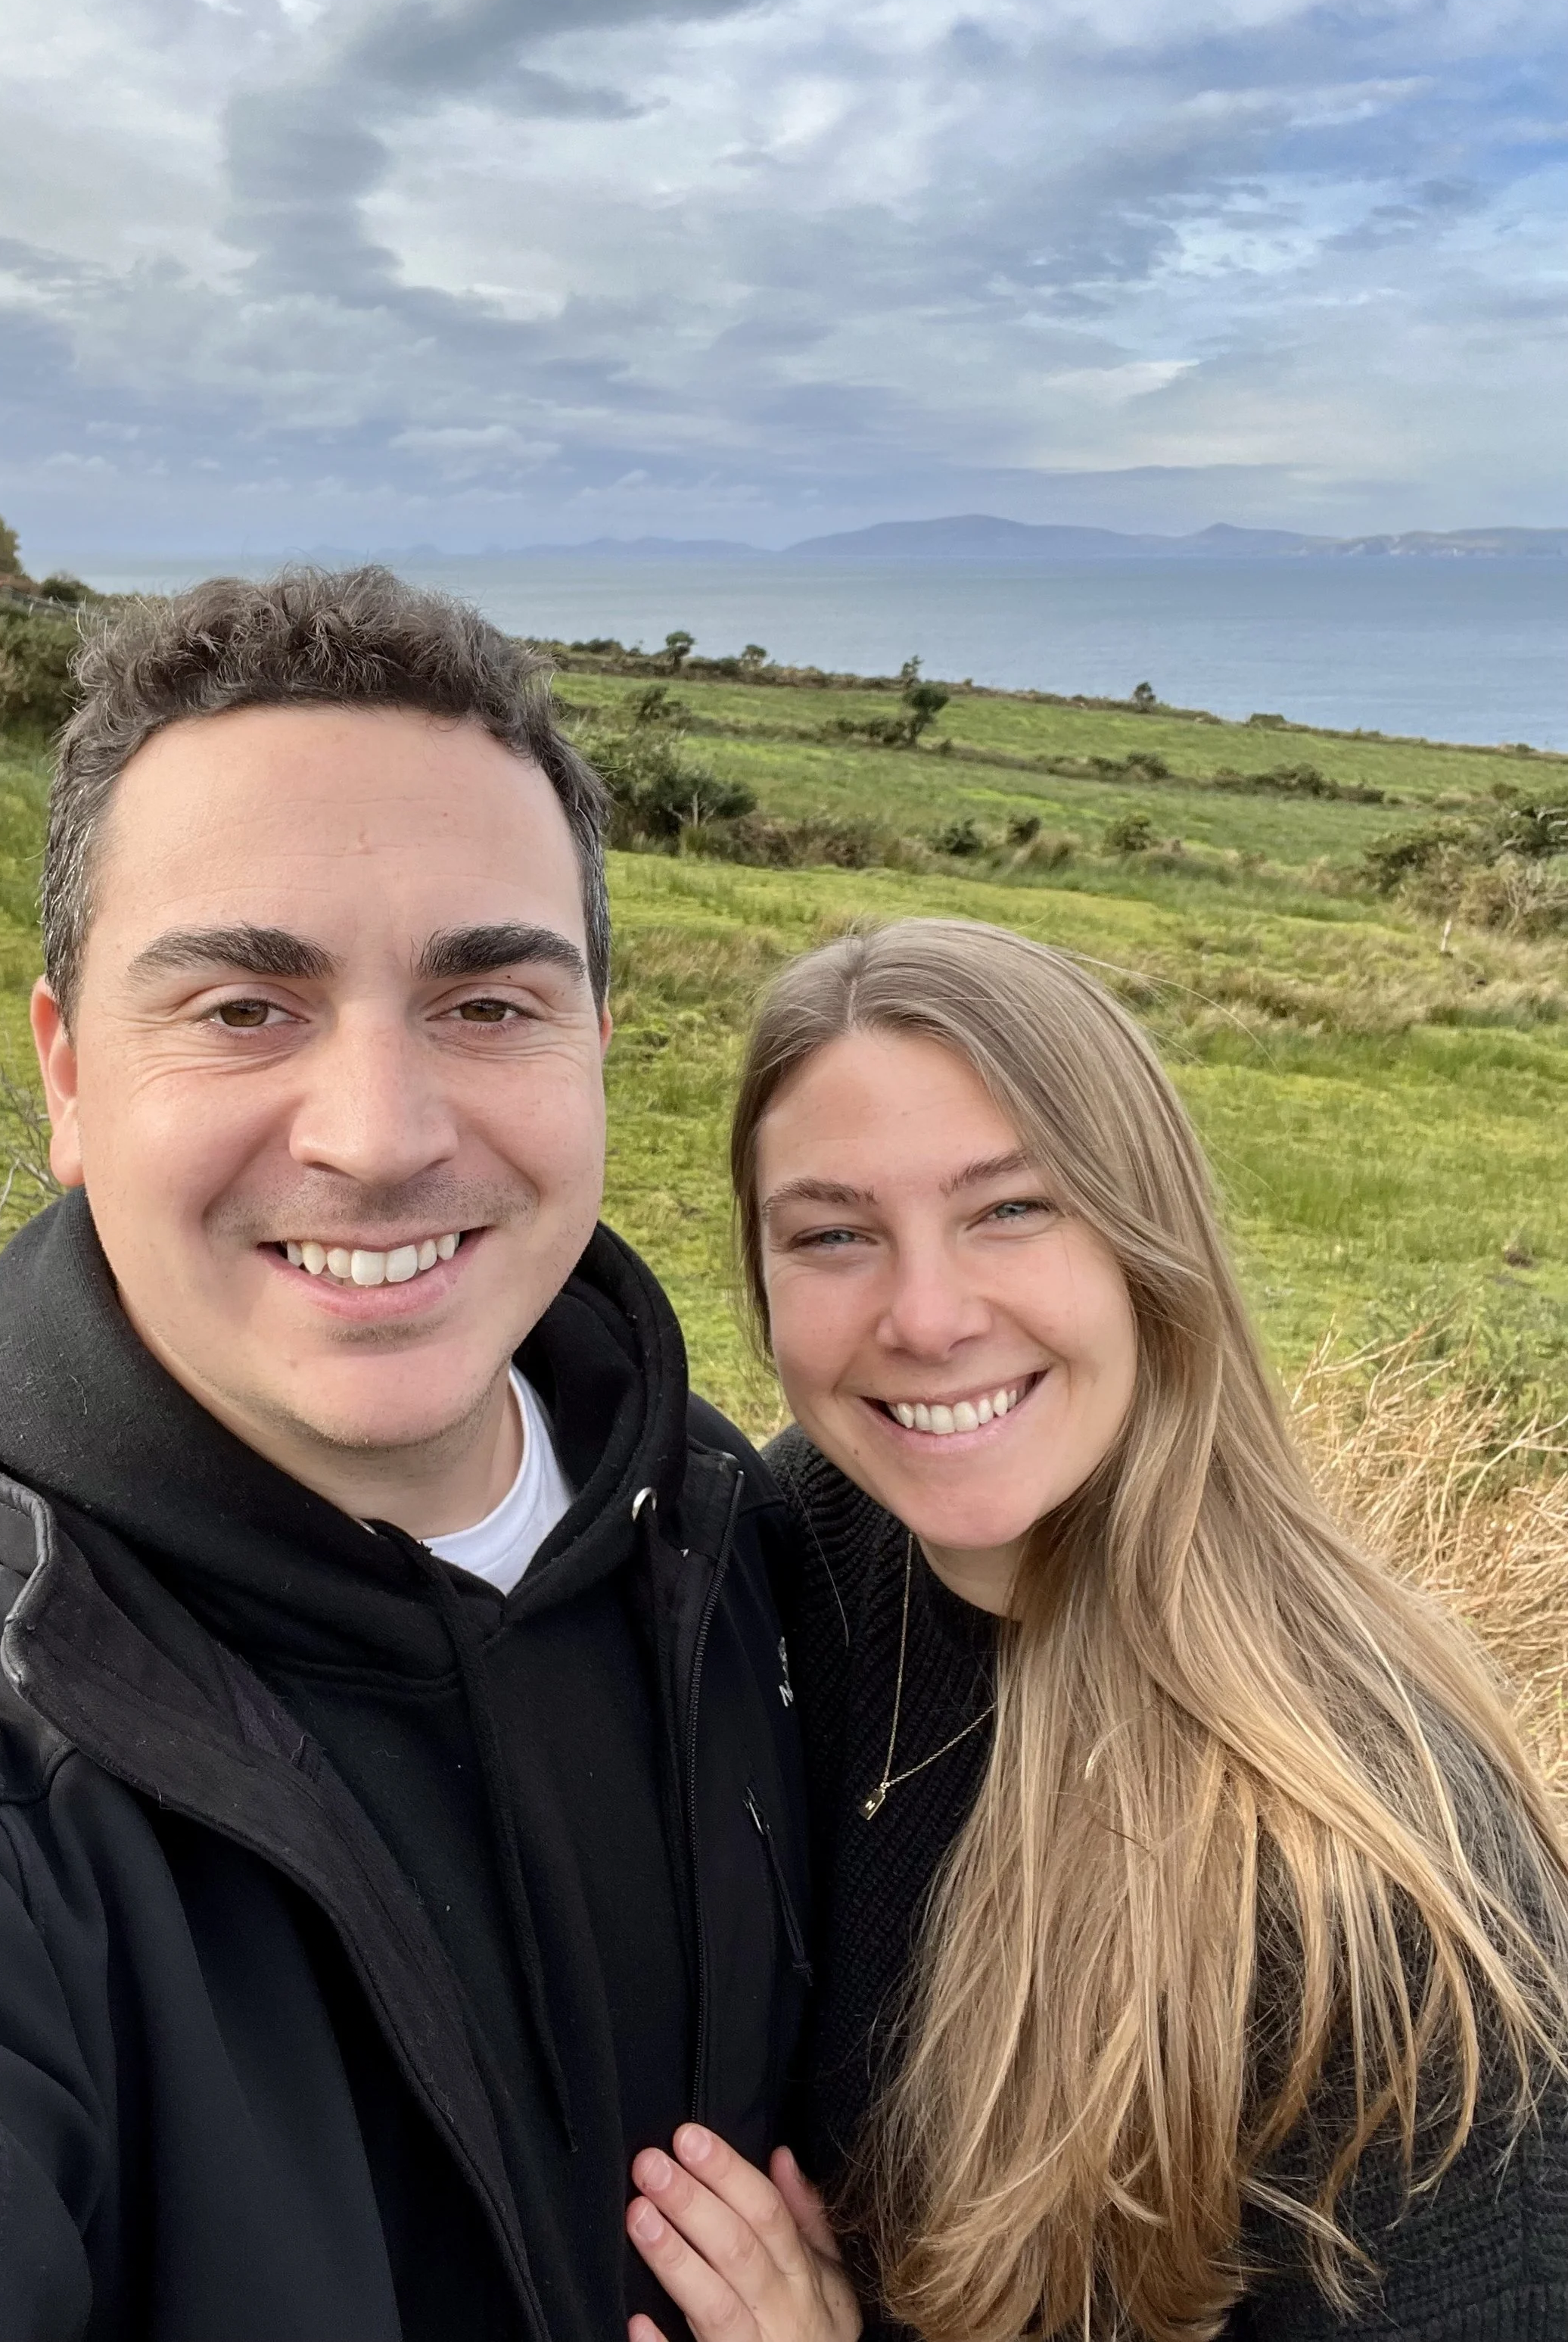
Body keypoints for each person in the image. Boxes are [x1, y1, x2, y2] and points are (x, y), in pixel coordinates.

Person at [0, 567, 813, 2342]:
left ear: (598, 1039)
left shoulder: (770, 1566)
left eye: (487, 1003)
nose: (376, 1135)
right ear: (63, 1075)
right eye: (240, 1007)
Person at [622, 916, 1568, 2342]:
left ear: (1151, 1240)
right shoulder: (801, 1539)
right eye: (833, 1234)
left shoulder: (1372, 1892)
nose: (927, 1318)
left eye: (1013, 1208)